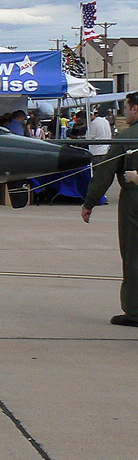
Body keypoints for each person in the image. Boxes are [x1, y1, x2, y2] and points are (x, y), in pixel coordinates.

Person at [81, 91, 138, 327]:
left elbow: (104, 172)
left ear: (136, 109)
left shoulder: (126, 138)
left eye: (126, 108)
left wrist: (89, 202)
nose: (125, 113)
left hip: (134, 202)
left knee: (134, 254)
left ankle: (135, 310)